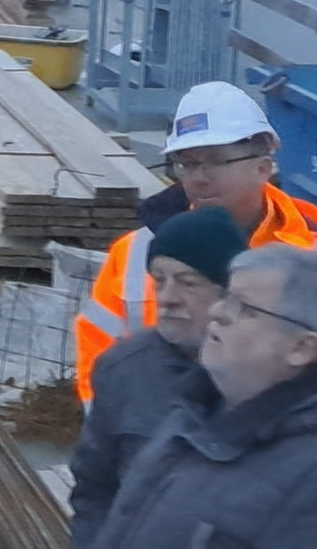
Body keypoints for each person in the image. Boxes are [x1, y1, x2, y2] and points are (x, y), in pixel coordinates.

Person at [74, 81, 317, 407]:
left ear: (263, 167)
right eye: (187, 163)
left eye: (215, 161)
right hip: (160, 443)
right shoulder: (135, 251)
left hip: (284, 447)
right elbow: (97, 359)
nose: (198, 177)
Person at [89, 244, 317, 548]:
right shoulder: (201, 411)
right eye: (225, 297)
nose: (217, 311)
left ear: (301, 347)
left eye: (242, 307)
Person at [68, 205, 247, 549]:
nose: (166, 298)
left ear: (227, 292)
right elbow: (95, 492)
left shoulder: (262, 375)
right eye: (159, 280)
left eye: (187, 282)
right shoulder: (123, 369)